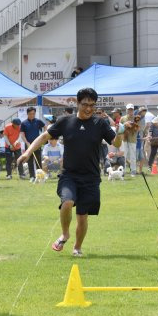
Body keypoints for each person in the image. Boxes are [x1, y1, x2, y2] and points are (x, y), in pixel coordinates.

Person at [17, 88, 118, 257]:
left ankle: (77, 247)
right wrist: (28, 152)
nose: (88, 108)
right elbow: (44, 138)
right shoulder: (65, 121)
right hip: (69, 175)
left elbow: (116, 142)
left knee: (82, 216)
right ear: (77, 103)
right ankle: (65, 234)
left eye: (92, 105)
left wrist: (122, 133)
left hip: (91, 177)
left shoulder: (100, 123)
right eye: (85, 104)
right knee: (67, 202)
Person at [20, 107, 45, 182]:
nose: (32, 115)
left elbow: (45, 127)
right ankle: (32, 176)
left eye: (33, 114)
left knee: (38, 160)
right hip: (28, 144)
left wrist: (42, 137)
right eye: (30, 114)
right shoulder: (24, 123)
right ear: (27, 114)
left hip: (37, 144)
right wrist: (26, 142)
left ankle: (40, 176)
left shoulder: (38, 121)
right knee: (30, 160)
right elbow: (22, 134)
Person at [120, 104, 139, 177]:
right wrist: (125, 124)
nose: (130, 111)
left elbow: (137, 128)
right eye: (129, 109)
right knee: (123, 155)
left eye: (131, 109)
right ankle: (123, 171)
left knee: (133, 156)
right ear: (126, 110)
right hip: (124, 138)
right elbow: (120, 128)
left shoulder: (136, 118)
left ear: (133, 110)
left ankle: (133, 171)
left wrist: (132, 126)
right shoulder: (123, 118)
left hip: (132, 139)